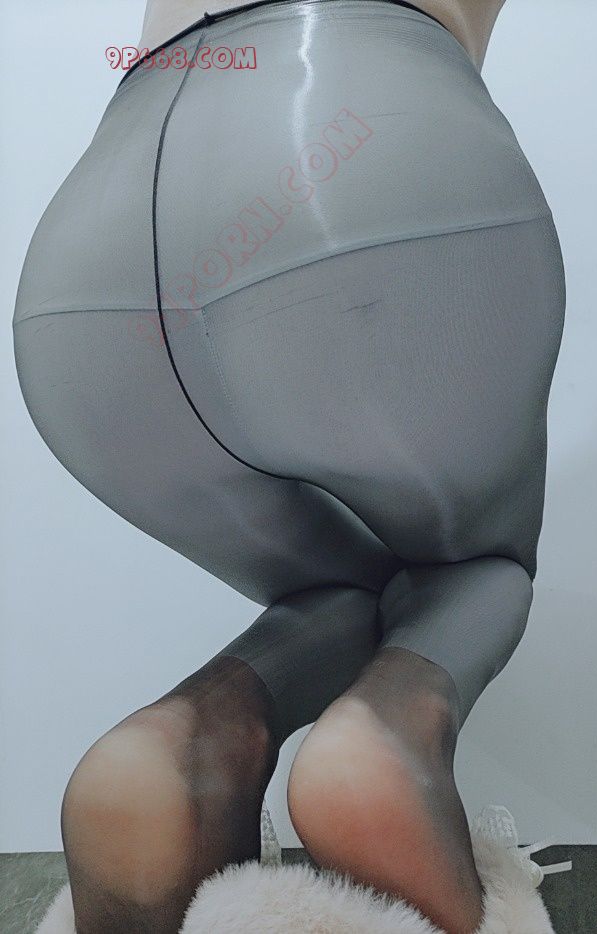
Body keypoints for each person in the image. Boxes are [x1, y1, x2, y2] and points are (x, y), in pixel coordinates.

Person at [12, 1, 566, 931]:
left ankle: (191, 742)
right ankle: (377, 740)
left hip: (88, 267)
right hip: (346, 163)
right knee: (475, 565)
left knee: (335, 589)